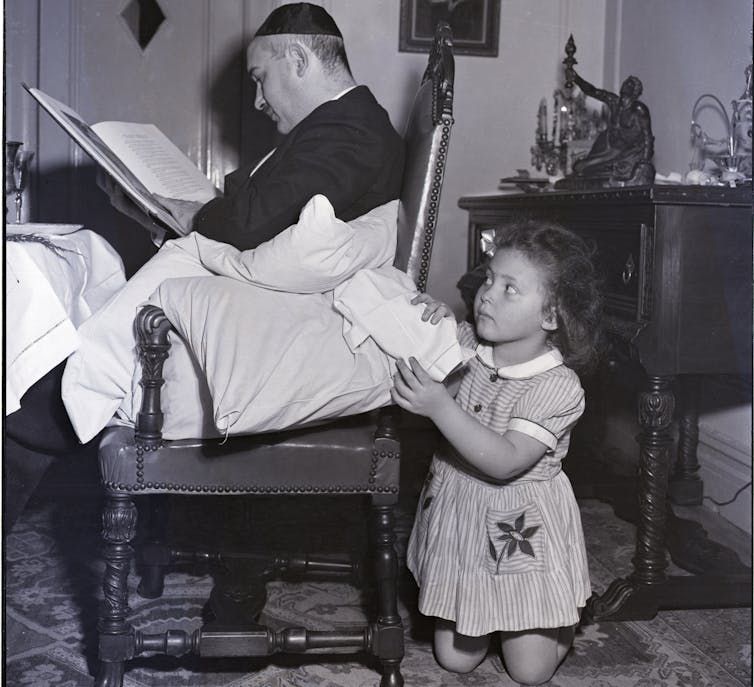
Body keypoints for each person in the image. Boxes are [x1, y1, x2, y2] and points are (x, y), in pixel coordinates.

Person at [392, 221, 603, 685]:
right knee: (455, 659)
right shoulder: (467, 344)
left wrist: (440, 408)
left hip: (517, 528)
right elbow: (426, 346)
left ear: (552, 316)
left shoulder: (556, 388)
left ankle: (558, 615)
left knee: (529, 673)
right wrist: (425, 320)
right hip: (460, 513)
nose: (487, 294)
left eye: (510, 289)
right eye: (489, 277)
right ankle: (487, 613)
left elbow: (505, 460)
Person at [109, 2, 405, 249]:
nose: (257, 101)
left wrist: (195, 216)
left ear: (299, 60)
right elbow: (268, 222)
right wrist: (161, 218)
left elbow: (252, 226)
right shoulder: (341, 124)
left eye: (260, 78)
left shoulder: (353, 133)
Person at [567, 67, 654, 185]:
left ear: (635, 91)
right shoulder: (614, 101)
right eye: (626, 82)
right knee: (579, 167)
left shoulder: (639, 110)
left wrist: (645, 161)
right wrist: (577, 79)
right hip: (610, 149)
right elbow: (593, 91)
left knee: (616, 170)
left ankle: (609, 172)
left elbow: (647, 136)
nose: (625, 84)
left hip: (629, 153)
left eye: (630, 83)